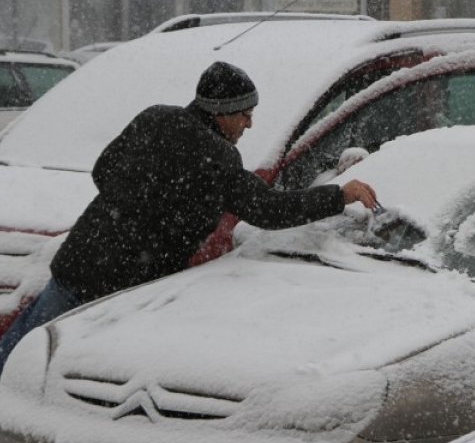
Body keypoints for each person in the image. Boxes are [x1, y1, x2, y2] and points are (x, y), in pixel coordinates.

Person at [0, 61, 377, 373]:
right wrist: (338, 195)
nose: (249, 124)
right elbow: (267, 209)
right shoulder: (217, 157)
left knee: (22, 355)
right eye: (244, 115)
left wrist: (134, 208)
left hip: (80, 261)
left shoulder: (153, 119)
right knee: (72, 372)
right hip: (124, 286)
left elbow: (104, 171)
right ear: (221, 112)